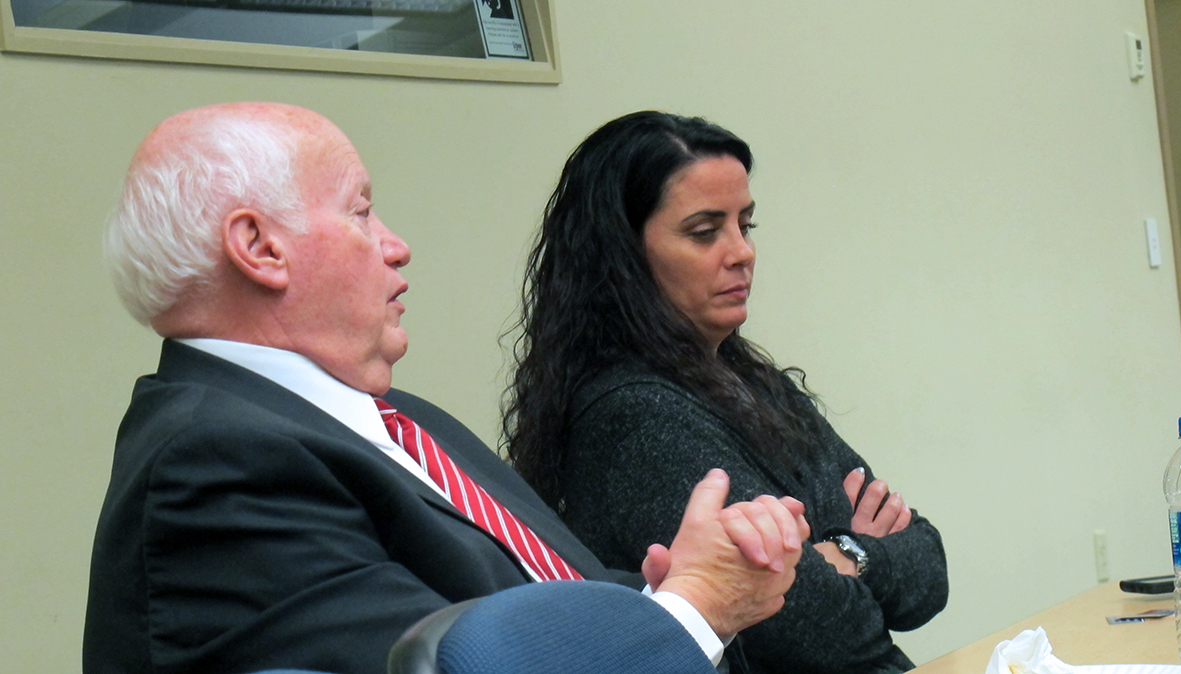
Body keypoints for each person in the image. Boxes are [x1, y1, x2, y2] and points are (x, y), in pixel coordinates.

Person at [82, 103, 810, 674]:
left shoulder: (394, 417)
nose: (396, 244)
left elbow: (529, 599)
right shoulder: (212, 463)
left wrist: (659, 590)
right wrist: (691, 610)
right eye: (361, 211)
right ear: (261, 249)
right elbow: (443, 667)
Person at [504, 111, 949, 674]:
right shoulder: (636, 418)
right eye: (704, 231)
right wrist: (850, 555)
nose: (741, 252)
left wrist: (845, 556)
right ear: (622, 257)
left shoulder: (753, 382)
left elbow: (929, 569)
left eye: (746, 225)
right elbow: (832, 637)